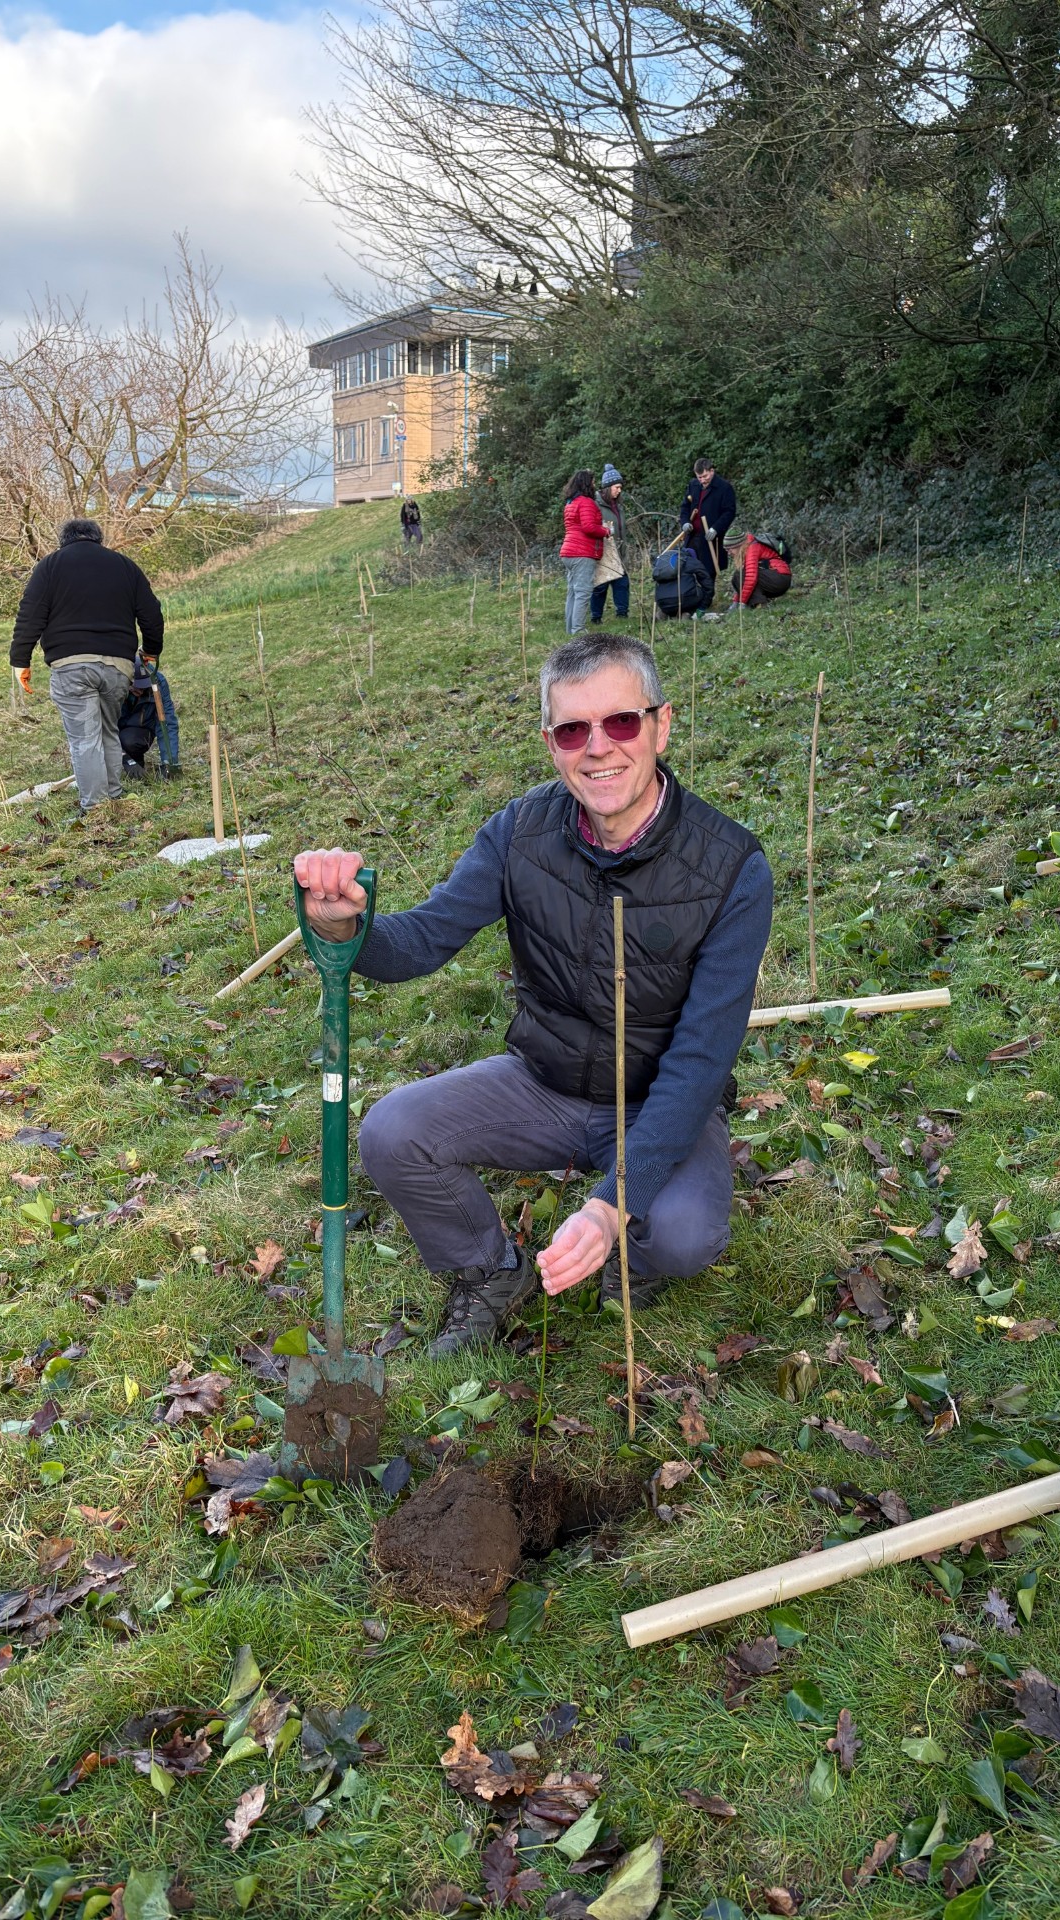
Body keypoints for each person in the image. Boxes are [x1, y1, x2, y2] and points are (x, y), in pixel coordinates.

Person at [292, 631, 773, 1358]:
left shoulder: (733, 868)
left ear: (661, 725)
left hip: (655, 1098)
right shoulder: (521, 832)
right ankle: (489, 1272)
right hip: (541, 1082)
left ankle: (632, 1263)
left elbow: (700, 1064)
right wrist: (343, 926)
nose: (599, 748)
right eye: (574, 729)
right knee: (393, 1132)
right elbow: (420, 941)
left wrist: (613, 1206)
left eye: (621, 722)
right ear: (551, 742)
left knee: (682, 1232)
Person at [10, 518, 165, 813]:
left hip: (71, 666)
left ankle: (95, 809)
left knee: (84, 739)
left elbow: (29, 616)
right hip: (118, 666)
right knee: (108, 731)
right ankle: (113, 797)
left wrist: (21, 660)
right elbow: (152, 614)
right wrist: (152, 651)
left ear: (63, 540)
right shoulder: (125, 566)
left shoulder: (49, 566)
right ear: (98, 539)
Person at [119, 653, 181, 779]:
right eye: (136, 687)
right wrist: (124, 757)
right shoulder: (114, 685)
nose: (140, 691)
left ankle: (137, 760)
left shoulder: (158, 683)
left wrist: (169, 762)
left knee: (129, 740)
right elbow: (103, 729)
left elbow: (167, 724)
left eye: (144, 686)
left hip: (139, 731)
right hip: (115, 734)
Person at [559, 470, 605, 636]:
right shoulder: (586, 502)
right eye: (592, 482)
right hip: (582, 552)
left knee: (572, 591)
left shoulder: (570, 503)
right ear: (587, 483)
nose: (594, 485)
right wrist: (605, 530)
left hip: (568, 552)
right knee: (583, 592)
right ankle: (578, 630)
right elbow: (589, 527)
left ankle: (570, 629)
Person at [678, 458, 737, 586]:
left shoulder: (724, 488)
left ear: (712, 471)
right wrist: (685, 523)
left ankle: (706, 602)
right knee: (688, 567)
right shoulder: (693, 485)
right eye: (699, 477)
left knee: (708, 571)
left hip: (711, 538)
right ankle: (691, 598)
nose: (702, 480)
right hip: (692, 536)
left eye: (705, 476)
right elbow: (685, 507)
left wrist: (715, 528)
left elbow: (729, 512)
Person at [590, 465, 630, 624]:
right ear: (607, 487)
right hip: (603, 552)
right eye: (617, 487)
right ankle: (596, 617)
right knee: (600, 586)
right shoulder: (595, 505)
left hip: (619, 552)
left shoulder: (619, 506)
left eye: (620, 487)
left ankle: (622, 615)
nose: (619, 490)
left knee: (622, 583)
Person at [731, 530, 793, 608]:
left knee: (740, 575)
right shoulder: (747, 547)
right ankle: (757, 604)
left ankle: (759, 604)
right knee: (737, 576)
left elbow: (750, 577)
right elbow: (740, 582)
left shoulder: (752, 548)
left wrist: (742, 603)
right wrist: (736, 602)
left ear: (737, 545)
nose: (729, 553)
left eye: (730, 549)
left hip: (779, 578)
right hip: (780, 578)